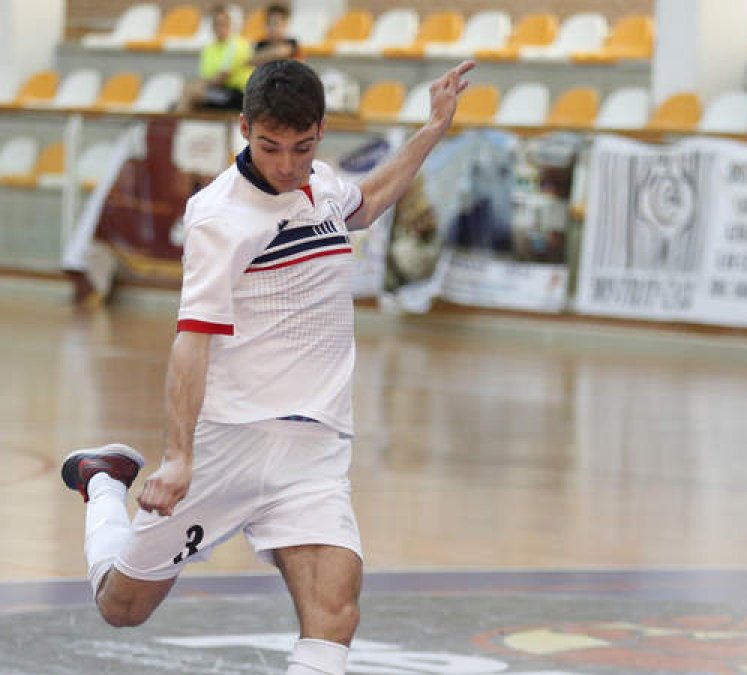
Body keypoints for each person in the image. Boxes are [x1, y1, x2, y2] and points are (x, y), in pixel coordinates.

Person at [60, 58, 476, 675]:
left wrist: (434, 127)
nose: (286, 164)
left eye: (302, 147)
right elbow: (191, 342)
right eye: (270, 146)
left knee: (335, 614)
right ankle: (102, 481)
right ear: (244, 128)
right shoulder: (218, 217)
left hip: (314, 448)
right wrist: (178, 456)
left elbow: (372, 201)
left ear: (322, 132)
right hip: (232, 442)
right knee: (122, 607)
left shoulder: (324, 185)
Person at [176, 4, 253, 112]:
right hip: (217, 92)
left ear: (231, 25)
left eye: (223, 24)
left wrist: (198, 87)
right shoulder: (209, 49)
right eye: (216, 24)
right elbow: (203, 77)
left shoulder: (237, 44)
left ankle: (177, 124)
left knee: (191, 93)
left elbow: (221, 78)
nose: (219, 28)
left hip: (236, 94)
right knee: (187, 94)